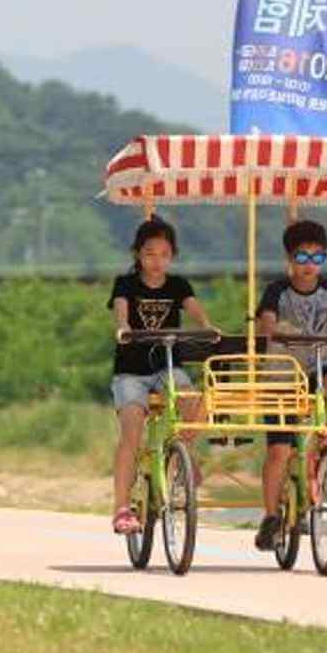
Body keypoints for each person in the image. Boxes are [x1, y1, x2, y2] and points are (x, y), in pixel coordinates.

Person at [107, 218, 214, 537]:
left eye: (164, 254)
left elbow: (194, 309)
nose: (157, 260)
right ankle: (122, 508)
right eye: (150, 253)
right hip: (131, 372)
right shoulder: (125, 284)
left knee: (195, 404)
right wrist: (124, 328)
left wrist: (207, 326)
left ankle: (183, 454)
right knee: (132, 431)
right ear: (138, 254)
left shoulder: (178, 285)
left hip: (168, 367)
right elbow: (121, 312)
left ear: (172, 256)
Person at [254, 219, 327, 551]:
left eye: (317, 258)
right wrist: (275, 332)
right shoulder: (276, 290)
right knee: (279, 451)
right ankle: (271, 516)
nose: (309, 265)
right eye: (302, 257)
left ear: (324, 259)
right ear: (289, 259)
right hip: (282, 373)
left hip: (316, 365)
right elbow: (266, 322)